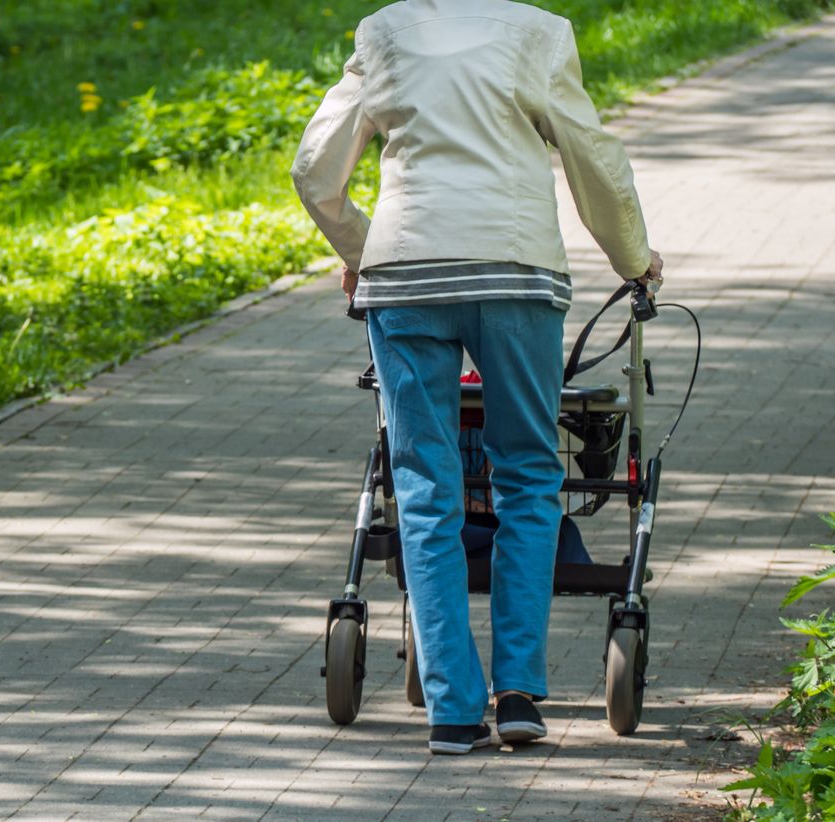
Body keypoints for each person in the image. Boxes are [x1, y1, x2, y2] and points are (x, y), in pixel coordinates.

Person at [291, 0, 663, 756]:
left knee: (424, 488)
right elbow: (591, 156)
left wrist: (364, 252)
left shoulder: (382, 30)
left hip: (406, 279)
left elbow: (313, 171)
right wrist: (634, 259)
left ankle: (452, 710)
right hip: (514, 273)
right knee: (526, 475)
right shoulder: (540, 32)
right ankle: (518, 692)